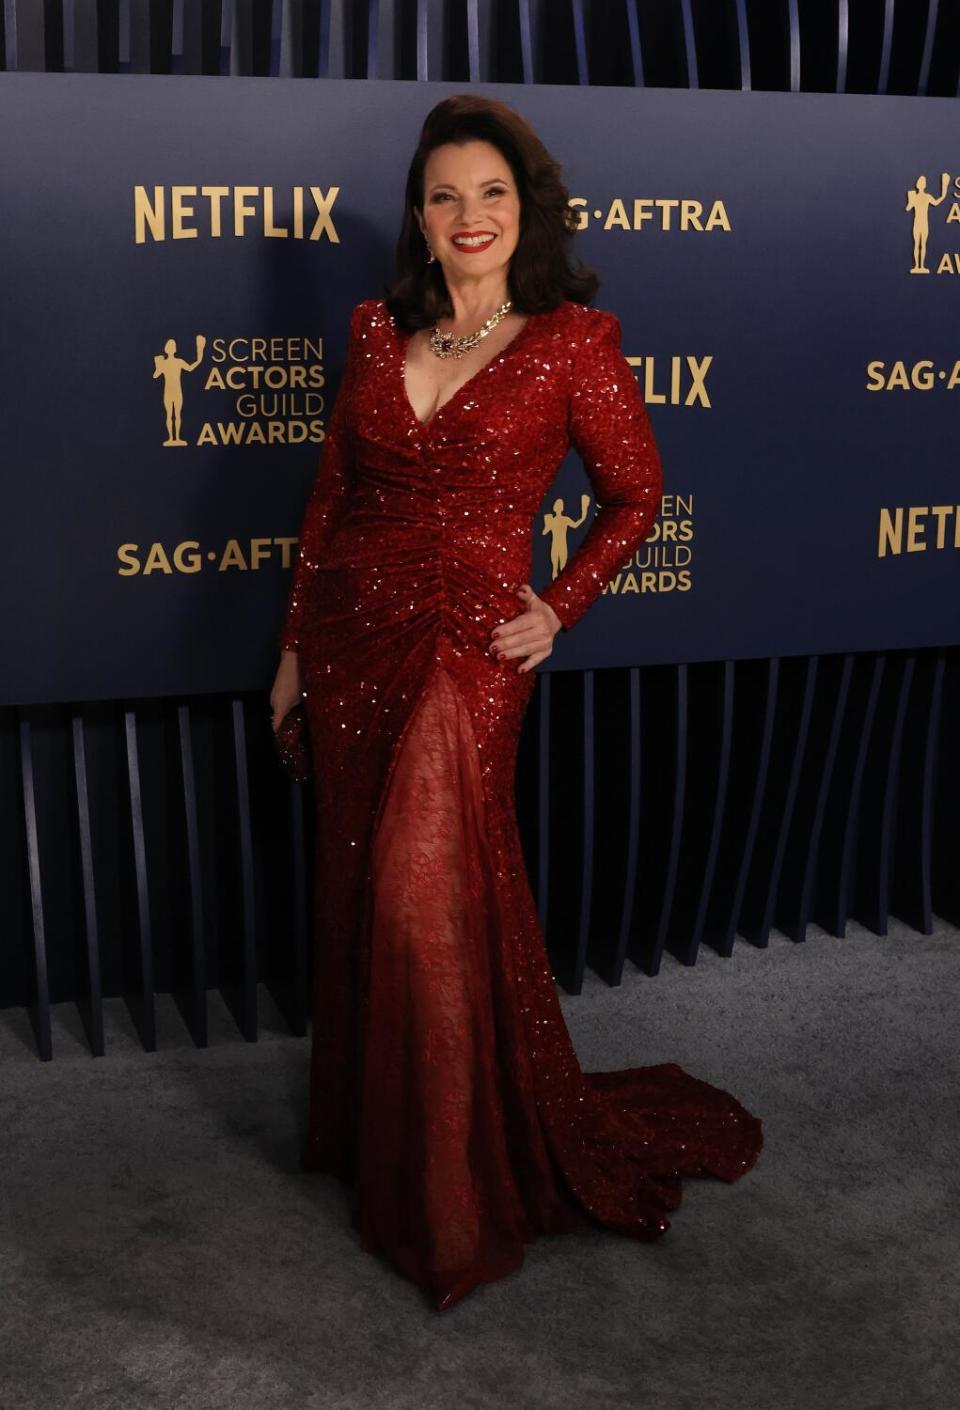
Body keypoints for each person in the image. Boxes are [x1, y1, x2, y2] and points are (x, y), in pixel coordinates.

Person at [269, 94, 763, 1311]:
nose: (468, 214)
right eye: (445, 195)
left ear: (525, 211)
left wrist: (561, 605)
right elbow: (331, 502)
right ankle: (380, 1143)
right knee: (363, 899)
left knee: (420, 900)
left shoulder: (573, 343)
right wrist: (291, 650)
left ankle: (445, 1203)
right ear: (420, 219)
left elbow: (636, 496)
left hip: (473, 653)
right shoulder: (377, 332)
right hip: (350, 643)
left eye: (491, 192)